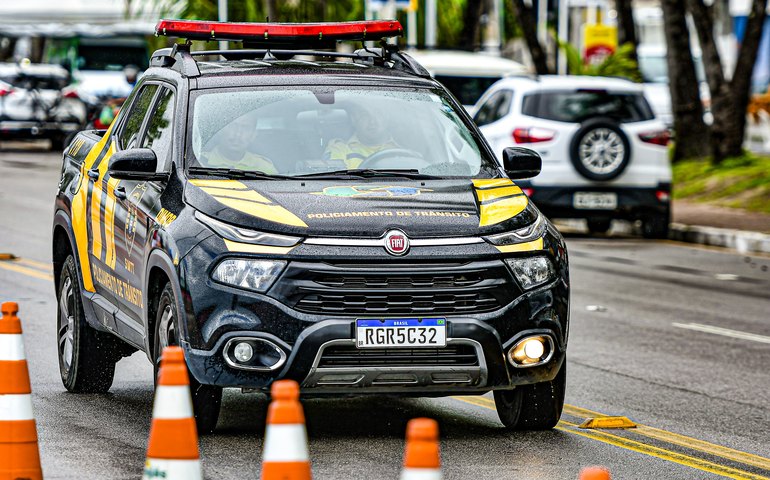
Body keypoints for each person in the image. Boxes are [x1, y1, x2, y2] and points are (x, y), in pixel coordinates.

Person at [324, 104, 399, 168]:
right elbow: (333, 180)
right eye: (365, 114)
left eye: (378, 113)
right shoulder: (339, 149)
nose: (372, 122)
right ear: (354, 120)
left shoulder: (401, 152)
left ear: (387, 118)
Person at [203, 115, 277, 173]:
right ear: (220, 130)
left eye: (245, 128)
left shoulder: (264, 167)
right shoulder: (200, 161)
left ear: (253, 135)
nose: (238, 134)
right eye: (232, 126)